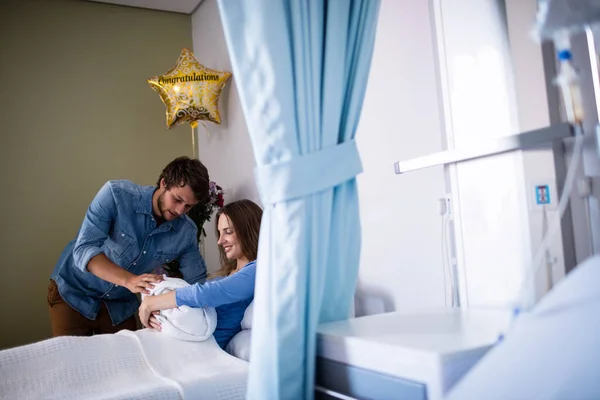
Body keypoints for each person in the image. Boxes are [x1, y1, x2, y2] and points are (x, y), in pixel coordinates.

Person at [48, 156, 210, 337]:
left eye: (188, 206)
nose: (180, 211)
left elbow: (196, 282)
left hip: (119, 307)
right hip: (74, 292)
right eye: (177, 199)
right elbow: (84, 249)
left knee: (128, 362)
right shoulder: (115, 195)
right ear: (164, 183)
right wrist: (130, 280)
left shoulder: (186, 232)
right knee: (71, 362)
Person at [138, 199, 262, 349]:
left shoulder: (257, 270)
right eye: (220, 233)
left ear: (248, 230)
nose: (220, 241)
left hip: (202, 349)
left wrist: (151, 303)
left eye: (228, 232)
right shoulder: (222, 276)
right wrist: (159, 317)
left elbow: (206, 294)